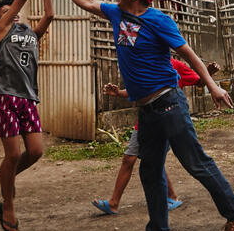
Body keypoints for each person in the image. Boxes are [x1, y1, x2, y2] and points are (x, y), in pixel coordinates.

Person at [48, 0, 234, 231]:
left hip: (169, 103)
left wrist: (212, 86)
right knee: (149, 171)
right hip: (147, 111)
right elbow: (90, 3)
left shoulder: (158, 21)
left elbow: (189, 54)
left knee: (195, 162)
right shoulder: (117, 13)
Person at [91, 57, 220, 216]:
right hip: (146, 121)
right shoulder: (143, 62)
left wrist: (209, 74)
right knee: (137, 159)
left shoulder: (173, 64)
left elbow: (198, 82)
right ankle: (116, 203)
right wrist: (118, 93)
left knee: (154, 160)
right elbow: (138, 89)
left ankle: (168, 201)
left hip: (168, 119)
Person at [0, 0, 55, 231]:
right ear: (1, 21)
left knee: (36, 151)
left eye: (13, 13)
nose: (13, 15)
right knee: (13, 154)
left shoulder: (32, 34)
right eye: (7, 12)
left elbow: (49, 14)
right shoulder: (3, 31)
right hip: (4, 96)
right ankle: (8, 204)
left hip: (27, 98)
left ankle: (5, 176)